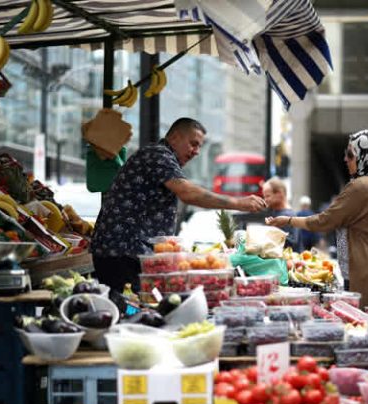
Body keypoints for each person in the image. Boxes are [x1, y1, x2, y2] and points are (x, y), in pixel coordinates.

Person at [91, 118, 266, 304]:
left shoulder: (162, 157)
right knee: (131, 308)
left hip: (127, 253)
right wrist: (238, 203)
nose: (196, 152)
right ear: (174, 137)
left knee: (142, 306)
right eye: (193, 144)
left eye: (199, 147)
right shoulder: (158, 155)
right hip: (121, 253)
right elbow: (188, 193)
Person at [266, 130, 368, 325]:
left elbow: (324, 221)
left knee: (366, 331)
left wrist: (288, 220)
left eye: (350, 155)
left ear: (365, 156)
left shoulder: (361, 186)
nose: (345, 159)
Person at [262, 177, 296, 248]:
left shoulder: (289, 215)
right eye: (264, 197)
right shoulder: (274, 211)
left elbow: (292, 243)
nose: (265, 200)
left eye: (268, 196)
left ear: (279, 194)